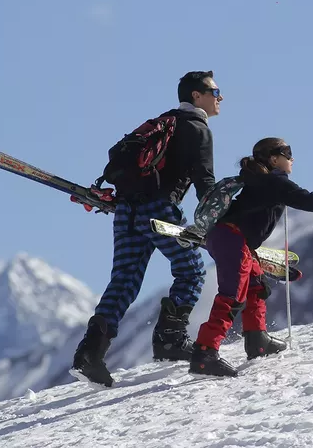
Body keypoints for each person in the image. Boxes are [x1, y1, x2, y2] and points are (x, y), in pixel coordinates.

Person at [71, 70, 223, 387]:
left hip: (126, 210)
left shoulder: (162, 122)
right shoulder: (197, 128)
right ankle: (170, 338)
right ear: (196, 95)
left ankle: (90, 353)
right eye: (215, 91)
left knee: (124, 280)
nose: (220, 97)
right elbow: (205, 183)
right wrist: (220, 221)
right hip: (160, 210)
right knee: (192, 269)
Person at [190, 137, 313, 377]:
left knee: (256, 285)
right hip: (232, 240)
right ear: (274, 159)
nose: (292, 158)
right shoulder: (274, 182)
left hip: (229, 238)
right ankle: (204, 354)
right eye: (287, 153)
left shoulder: (259, 181)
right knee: (232, 295)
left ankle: (257, 340)